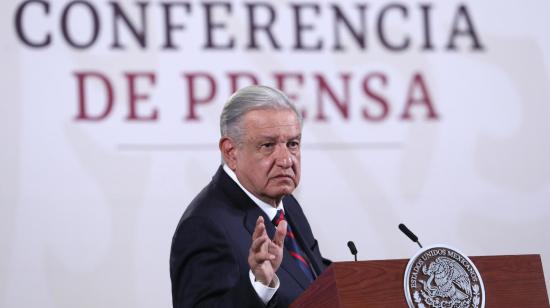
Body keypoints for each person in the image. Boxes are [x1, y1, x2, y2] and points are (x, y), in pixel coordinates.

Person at [170, 85, 330, 307]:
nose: (286, 160)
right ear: (230, 152)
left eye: (292, 144)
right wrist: (260, 286)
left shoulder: (287, 203)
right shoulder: (203, 225)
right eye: (268, 145)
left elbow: (312, 280)